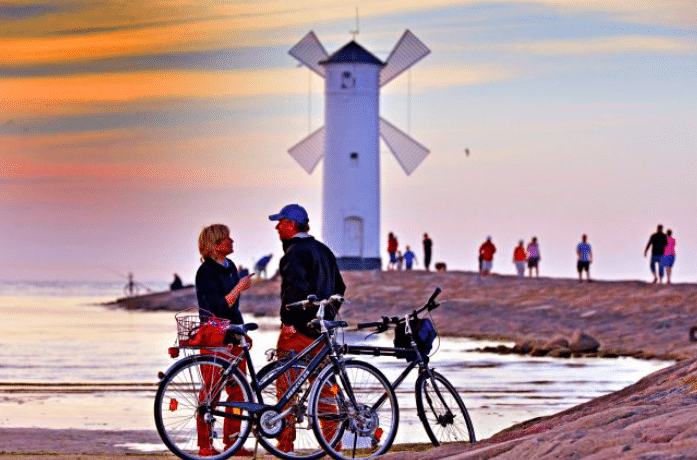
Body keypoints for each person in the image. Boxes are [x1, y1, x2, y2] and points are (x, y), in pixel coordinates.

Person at [268, 204, 345, 453]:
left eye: (280, 222)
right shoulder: (323, 250)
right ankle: (334, 442)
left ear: (291, 224)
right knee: (324, 387)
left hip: (299, 330)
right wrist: (327, 316)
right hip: (321, 331)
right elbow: (340, 288)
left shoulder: (295, 253)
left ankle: (286, 442)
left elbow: (294, 290)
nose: (277, 227)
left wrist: (289, 322)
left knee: (286, 384)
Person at [195, 224, 254, 457]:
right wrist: (239, 288)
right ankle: (205, 444)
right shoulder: (206, 272)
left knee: (239, 389)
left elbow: (232, 308)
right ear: (215, 245)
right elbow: (218, 307)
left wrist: (241, 330)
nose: (231, 241)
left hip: (233, 333)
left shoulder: (230, 267)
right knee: (211, 391)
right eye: (226, 239)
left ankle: (232, 442)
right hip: (213, 335)